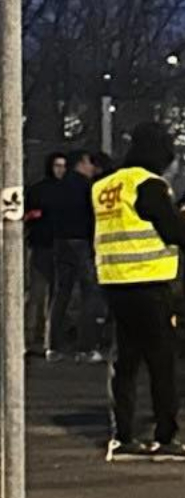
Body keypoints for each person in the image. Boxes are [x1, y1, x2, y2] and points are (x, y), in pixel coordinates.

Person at [96, 123, 185, 462]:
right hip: (149, 283)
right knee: (161, 361)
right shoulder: (149, 185)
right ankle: (166, 437)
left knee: (123, 362)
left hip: (114, 282)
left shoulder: (105, 186)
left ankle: (122, 436)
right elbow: (174, 233)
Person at [48, 150, 108, 363]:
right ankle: (86, 347)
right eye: (90, 163)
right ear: (81, 163)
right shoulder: (86, 187)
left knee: (61, 293)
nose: (93, 168)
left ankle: (53, 346)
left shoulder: (59, 186)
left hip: (60, 241)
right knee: (90, 292)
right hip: (82, 241)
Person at [24, 151, 66, 357]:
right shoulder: (39, 190)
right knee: (38, 293)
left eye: (63, 166)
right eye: (57, 166)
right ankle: (30, 335)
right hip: (42, 245)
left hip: (57, 246)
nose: (61, 170)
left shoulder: (62, 190)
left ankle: (43, 337)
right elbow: (26, 214)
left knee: (51, 294)